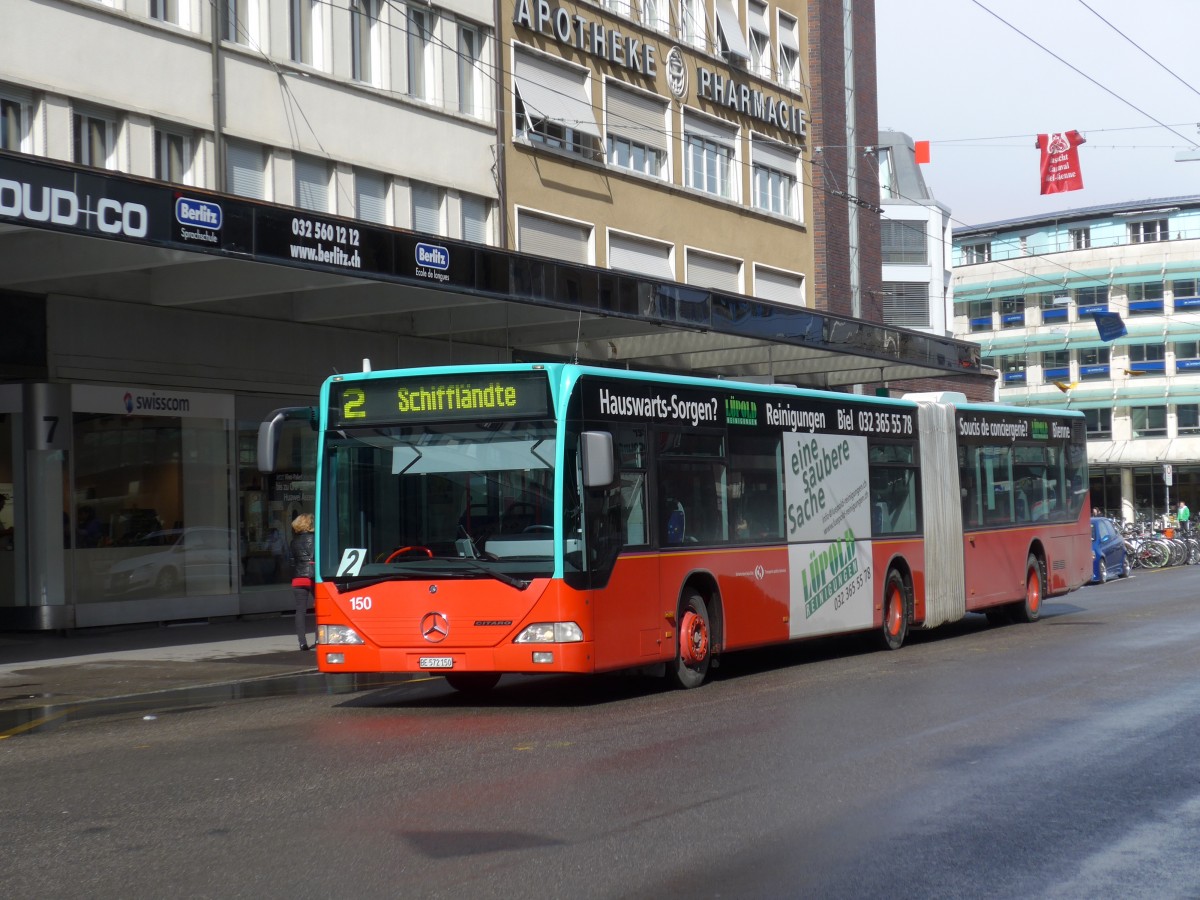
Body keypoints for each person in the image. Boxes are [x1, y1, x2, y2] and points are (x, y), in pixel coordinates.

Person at [290, 513, 316, 651]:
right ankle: (319, 638)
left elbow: (292, 561)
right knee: (321, 609)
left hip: (298, 577)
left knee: (300, 611)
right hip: (312, 577)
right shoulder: (316, 538)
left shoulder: (293, 541)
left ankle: (302, 642)